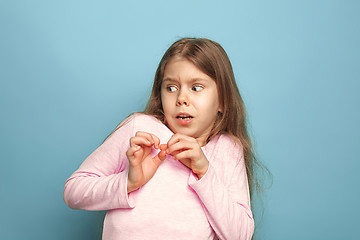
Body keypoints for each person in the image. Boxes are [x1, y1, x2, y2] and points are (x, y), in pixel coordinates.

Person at [64, 38, 256, 239]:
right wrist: (129, 182)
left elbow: (240, 235)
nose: (181, 98)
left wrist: (205, 172)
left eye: (196, 87)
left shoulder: (227, 150)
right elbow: (73, 191)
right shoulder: (140, 130)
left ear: (223, 102)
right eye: (171, 88)